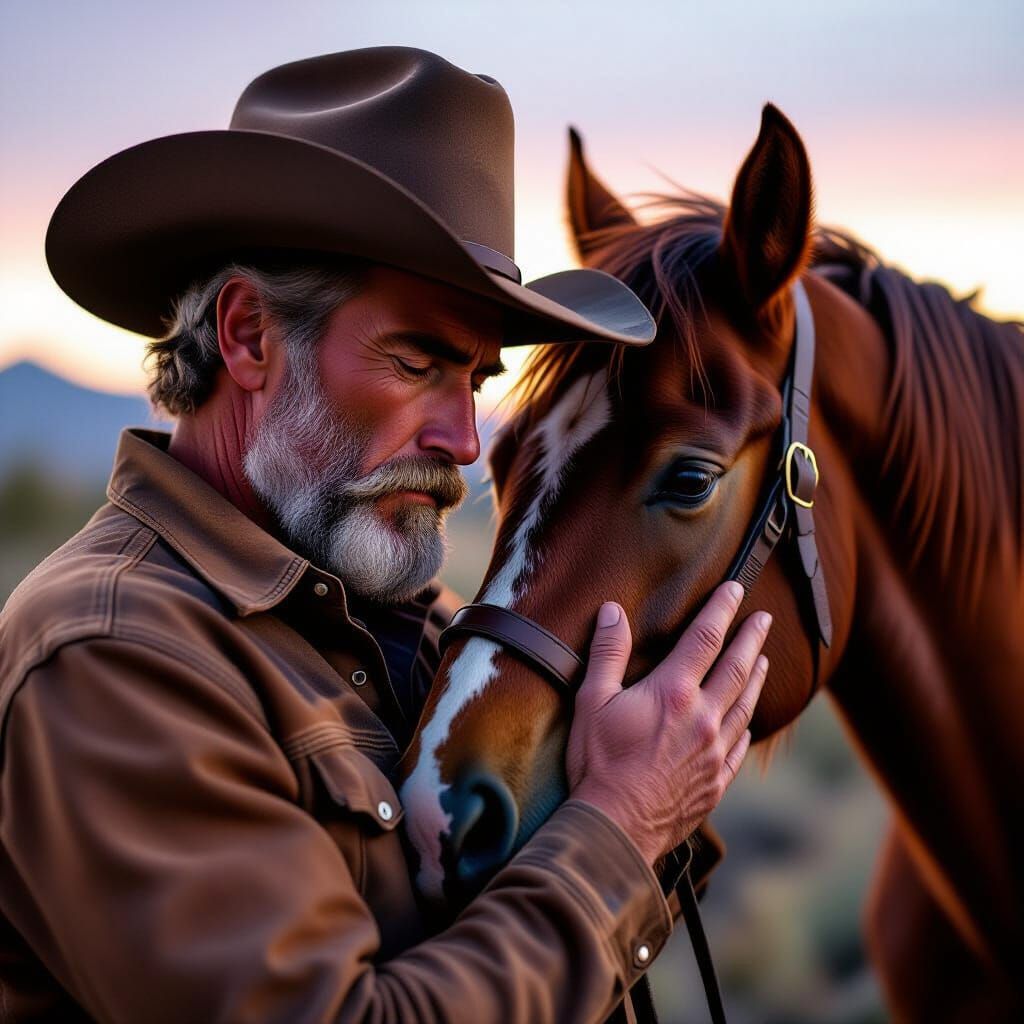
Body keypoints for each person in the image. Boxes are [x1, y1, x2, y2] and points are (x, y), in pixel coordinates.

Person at [0, 48, 770, 1022]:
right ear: (247, 337)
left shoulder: (393, 615)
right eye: (417, 363)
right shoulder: (111, 656)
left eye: (476, 381)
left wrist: (612, 779)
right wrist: (619, 827)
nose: (462, 440)